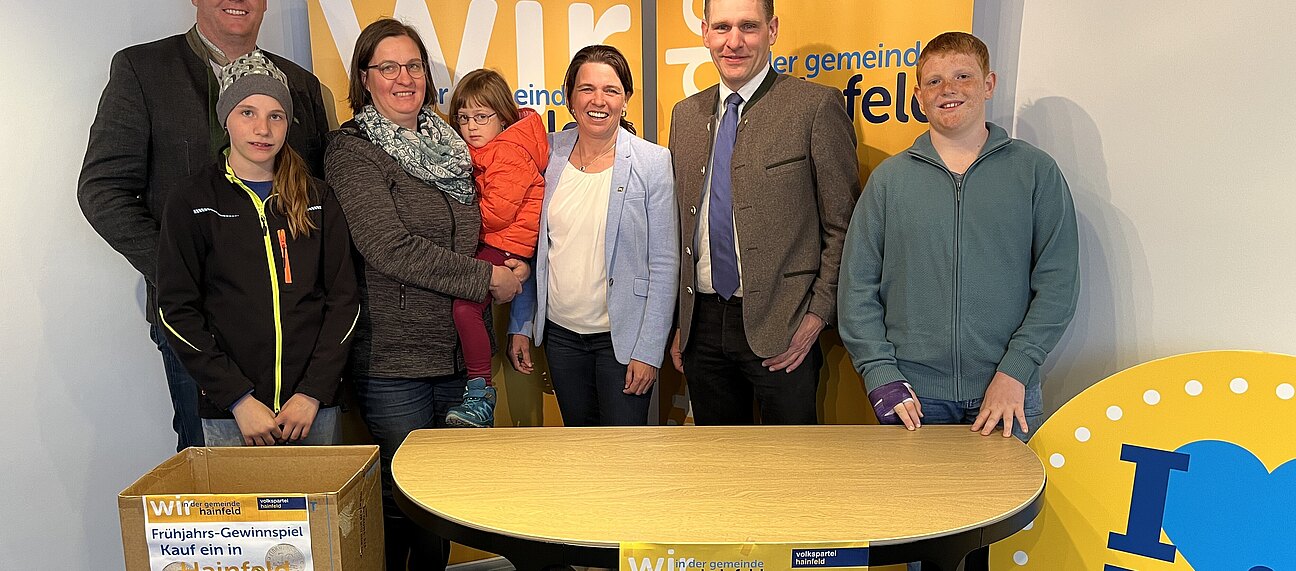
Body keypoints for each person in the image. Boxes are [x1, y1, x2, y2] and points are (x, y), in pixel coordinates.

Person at [836, 31, 1079, 569]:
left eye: (963, 76)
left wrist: (1016, 370)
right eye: (935, 81)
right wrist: (880, 375)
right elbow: (856, 290)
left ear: (988, 84)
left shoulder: (1034, 172)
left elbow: (1059, 284)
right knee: (925, 547)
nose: (950, 89)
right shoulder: (889, 182)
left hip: (1005, 396)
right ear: (918, 96)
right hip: (913, 399)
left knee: (1000, 548)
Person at [78, 0, 330, 451]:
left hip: (294, 329)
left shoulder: (301, 85)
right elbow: (103, 190)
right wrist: (186, 277)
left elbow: (319, 203)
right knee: (213, 488)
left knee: (303, 487)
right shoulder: (143, 69)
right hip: (195, 325)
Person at [323, 19, 528, 571]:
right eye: (387, 67)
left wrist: (512, 257)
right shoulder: (352, 150)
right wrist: (487, 281)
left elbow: (477, 229)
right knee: (402, 501)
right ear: (365, 78)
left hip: (460, 356)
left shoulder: (450, 145)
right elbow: (389, 247)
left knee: (444, 502)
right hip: (394, 362)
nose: (403, 77)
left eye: (412, 65)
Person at [667, 0, 859, 425]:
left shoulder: (814, 107)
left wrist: (816, 315)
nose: (733, 41)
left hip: (785, 325)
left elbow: (843, 226)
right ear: (704, 33)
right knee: (719, 470)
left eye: (748, 27)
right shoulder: (686, 115)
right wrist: (683, 320)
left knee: (790, 475)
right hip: (702, 326)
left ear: (771, 30)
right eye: (722, 28)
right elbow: (682, 227)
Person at [156, 52, 358, 447]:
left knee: (317, 509)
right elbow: (177, 309)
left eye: (276, 115)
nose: (262, 129)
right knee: (246, 511)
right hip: (234, 416)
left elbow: (344, 300)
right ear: (226, 118)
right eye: (247, 112)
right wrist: (236, 398)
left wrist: (313, 391)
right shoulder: (192, 200)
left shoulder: (318, 198)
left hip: (311, 410)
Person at [507, 44, 679, 427]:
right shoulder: (546, 154)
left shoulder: (653, 161)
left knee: (623, 460)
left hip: (623, 342)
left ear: (626, 99)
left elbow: (666, 263)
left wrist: (649, 351)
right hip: (562, 338)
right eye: (586, 89)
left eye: (611, 90)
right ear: (569, 97)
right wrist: (520, 323)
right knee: (580, 454)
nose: (598, 100)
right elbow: (532, 250)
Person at [443, 69, 550, 429]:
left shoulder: (507, 153)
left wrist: (456, 220)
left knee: (465, 309)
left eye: (481, 117)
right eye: (463, 118)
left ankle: (480, 392)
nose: (471, 127)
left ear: (503, 117)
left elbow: (495, 213)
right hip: (500, 243)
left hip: (502, 245)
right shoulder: (493, 149)